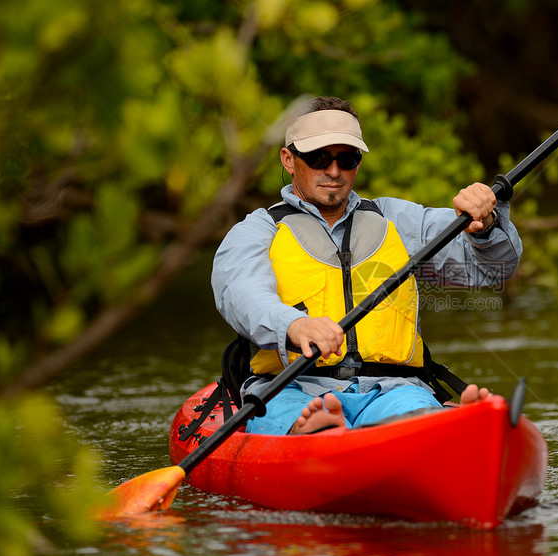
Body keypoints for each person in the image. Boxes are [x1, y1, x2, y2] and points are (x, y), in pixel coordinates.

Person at [211, 96, 522, 435]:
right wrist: (294, 326)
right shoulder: (258, 230)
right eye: (318, 158)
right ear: (288, 159)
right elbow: (239, 291)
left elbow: (492, 270)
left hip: (394, 391)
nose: (333, 171)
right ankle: (317, 431)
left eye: (346, 158)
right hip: (291, 390)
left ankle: (439, 427)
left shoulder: (398, 221)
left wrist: (486, 225)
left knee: (412, 409)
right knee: (301, 415)